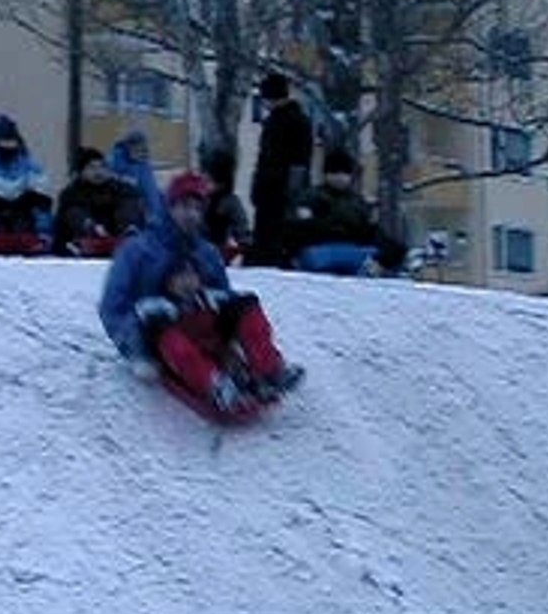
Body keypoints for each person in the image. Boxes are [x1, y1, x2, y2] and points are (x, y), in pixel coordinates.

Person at [99, 171, 303, 415]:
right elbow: (113, 307)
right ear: (169, 207)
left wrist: (228, 338)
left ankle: (268, 370)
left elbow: (222, 296)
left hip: (199, 321)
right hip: (159, 332)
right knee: (162, 326)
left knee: (245, 303)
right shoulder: (137, 251)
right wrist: (136, 348)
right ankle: (214, 384)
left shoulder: (206, 253)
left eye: (197, 208)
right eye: (184, 206)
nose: (191, 215)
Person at [286, 148, 409, 276]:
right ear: (326, 174)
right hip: (321, 247)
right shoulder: (313, 197)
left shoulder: (356, 203)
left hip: (352, 247)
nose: (340, 178)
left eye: (344, 173)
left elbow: (369, 229)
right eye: (335, 173)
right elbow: (300, 228)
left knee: (386, 247)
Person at [248, 71, 313, 267]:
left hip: (276, 191)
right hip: (277, 189)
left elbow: (292, 162)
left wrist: (290, 192)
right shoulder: (296, 120)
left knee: (271, 241)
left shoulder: (281, 122)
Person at [53, 146, 144, 256]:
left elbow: (129, 205)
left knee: (129, 204)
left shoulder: (119, 189)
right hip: (81, 241)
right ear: (82, 171)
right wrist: (91, 227)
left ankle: (128, 236)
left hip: (115, 240)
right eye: (92, 167)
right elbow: (75, 215)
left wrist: (128, 227)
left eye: (102, 166)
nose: (98, 171)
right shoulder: (71, 193)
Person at [201, 148, 251, 260]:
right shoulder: (197, 198)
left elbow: (244, 236)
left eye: (209, 179)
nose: (204, 181)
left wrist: (232, 251)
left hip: (215, 257)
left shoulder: (229, 202)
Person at [109, 130, 163, 223]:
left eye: (144, 150)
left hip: (143, 210)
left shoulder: (143, 164)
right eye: (137, 150)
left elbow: (151, 190)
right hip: (123, 212)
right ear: (128, 147)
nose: (141, 153)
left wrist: (157, 213)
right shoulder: (115, 163)